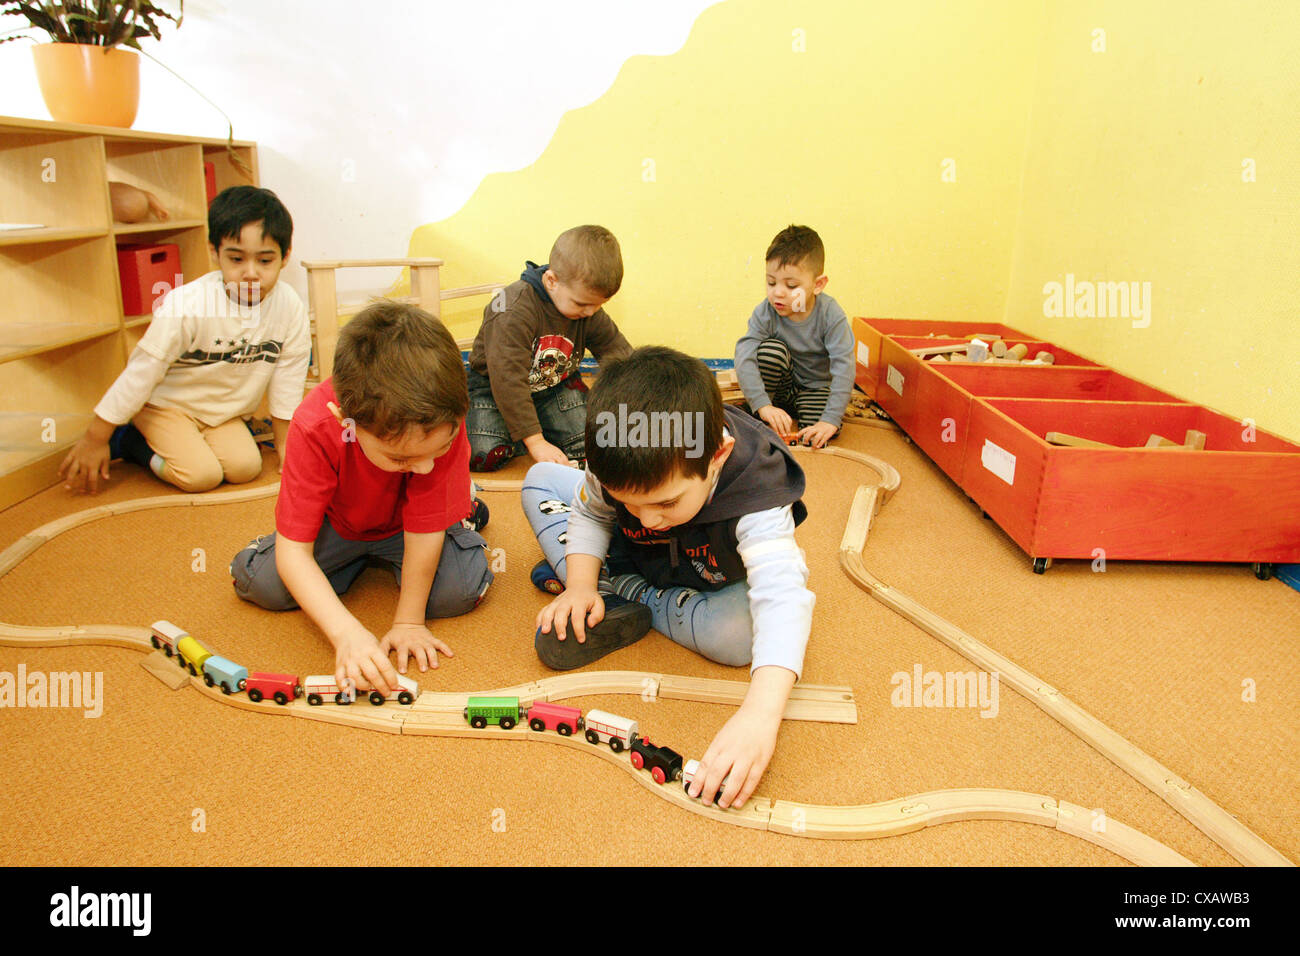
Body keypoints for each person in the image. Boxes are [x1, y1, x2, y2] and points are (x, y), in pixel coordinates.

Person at [523, 346, 814, 810]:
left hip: (705, 578)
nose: (648, 518)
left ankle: (622, 591)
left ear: (717, 456)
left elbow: (782, 594)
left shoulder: (759, 488)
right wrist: (580, 585)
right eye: (630, 502)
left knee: (740, 637)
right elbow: (589, 510)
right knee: (539, 478)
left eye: (667, 503)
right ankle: (593, 583)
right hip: (636, 555)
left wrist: (761, 715)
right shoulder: (614, 461)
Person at [230, 301, 493, 698]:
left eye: (437, 451)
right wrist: (347, 634)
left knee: (457, 591)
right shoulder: (314, 425)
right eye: (402, 458)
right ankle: (365, 556)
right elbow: (295, 553)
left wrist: (408, 621)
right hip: (340, 524)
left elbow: (424, 531)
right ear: (344, 420)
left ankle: (461, 509)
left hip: (410, 524)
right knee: (266, 584)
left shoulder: (439, 423)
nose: (423, 468)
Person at [59, 186, 310, 493]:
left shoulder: (290, 305)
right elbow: (142, 371)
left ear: (285, 257)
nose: (250, 273)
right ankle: (132, 440)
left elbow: (288, 379)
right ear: (214, 252)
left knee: (246, 468)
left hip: (222, 414)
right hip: (167, 406)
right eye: (236, 259)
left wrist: (286, 448)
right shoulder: (186, 305)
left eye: (265, 261)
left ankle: (191, 441)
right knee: (200, 476)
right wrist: (96, 437)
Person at [465, 224, 633, 471]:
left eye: (598, 305)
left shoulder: (588, 308)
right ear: (551, 281)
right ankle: (526, 430)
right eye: (582, 304)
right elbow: (508, 380)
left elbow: (618, 353)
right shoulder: (513, 309)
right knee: (482, 455)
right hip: (494, 389)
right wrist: (535, 442)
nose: (591, 312)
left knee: (595, 444)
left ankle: (530, 426)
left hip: (553, 388)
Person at [734, 224, 855, 448]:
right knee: (770, 351)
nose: (777, 292)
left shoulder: (831, 315)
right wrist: (762, 405)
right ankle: (768, 413)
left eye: (791, 285)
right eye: (771, 282)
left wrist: (830, 420)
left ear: (818, 285)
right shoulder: (766, 311)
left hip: (815, 388)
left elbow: (844, 367)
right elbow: (744, 354)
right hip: (780, 389)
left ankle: (809, 415)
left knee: (816, 435)